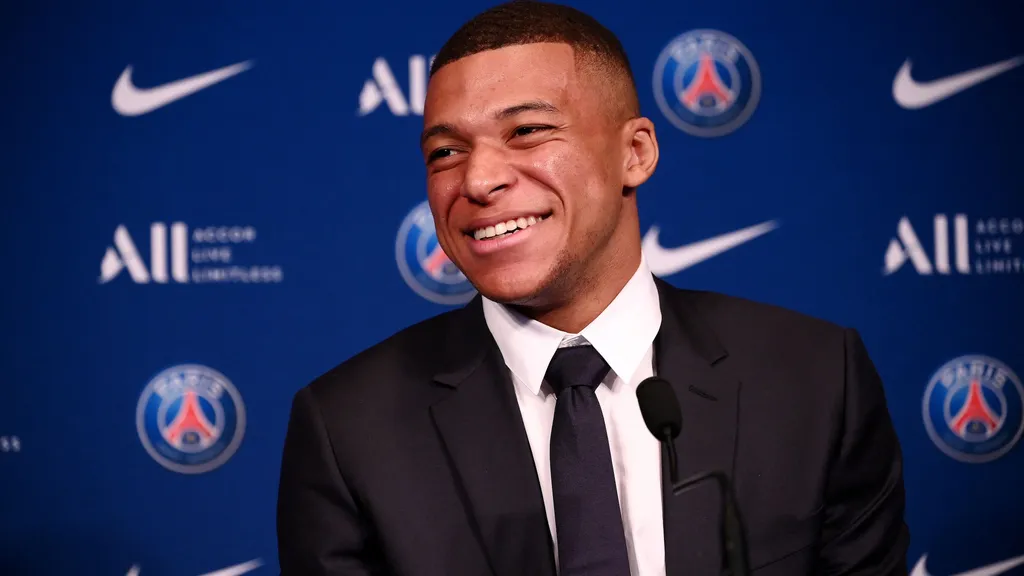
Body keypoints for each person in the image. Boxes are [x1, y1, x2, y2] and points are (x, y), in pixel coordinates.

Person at [276, 1, 910, 574]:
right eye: (445, 152)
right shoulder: (347, 430)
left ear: (635, 152)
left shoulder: (817, 378)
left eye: (526, 131)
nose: (477, 180)